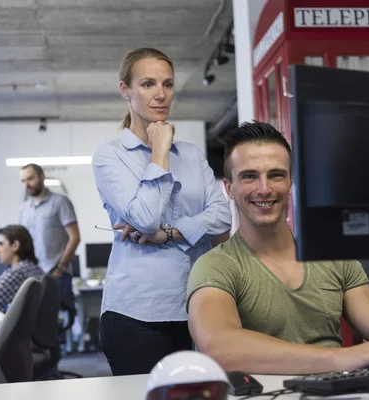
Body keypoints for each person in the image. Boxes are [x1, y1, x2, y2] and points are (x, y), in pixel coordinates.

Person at [186, 121, 369, 375]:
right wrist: (340, 357)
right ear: (229, 188)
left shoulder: (330, 256)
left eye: (276, 174)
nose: (264, 188)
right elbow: (219, 346)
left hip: (337, 390)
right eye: (249, 176)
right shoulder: (216, 266)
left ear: (290, 182)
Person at [92, 47, 232, 375]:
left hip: (193, 305)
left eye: (167, 84)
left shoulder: (193, 155)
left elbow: (223, 216)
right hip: (136, 313)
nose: (160, 94)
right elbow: (145, 218)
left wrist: (165, 233)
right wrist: (159, 151)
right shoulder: (110, 157)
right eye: (147, 84)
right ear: (125, 90)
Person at [19, 163, 80, 308]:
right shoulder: (23, 209)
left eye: (30, 179)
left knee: (58, 323)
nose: (27, 184)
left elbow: (75, 237)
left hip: (56, 275)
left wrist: (60, 268)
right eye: (23, 181)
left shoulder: (60, 202)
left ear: (42, 176)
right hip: (33, 276)